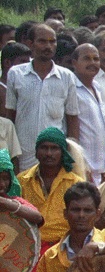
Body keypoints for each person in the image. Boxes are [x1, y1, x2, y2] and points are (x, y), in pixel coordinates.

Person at [6, 24, 79, 170]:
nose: (48, 46)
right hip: (24, 154)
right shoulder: (16, 74)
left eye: (52, 42)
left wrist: (71, 155)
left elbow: (72, 119)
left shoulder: (67, 77)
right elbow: (10, 117)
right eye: (42, 41)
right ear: (30, 43)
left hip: (55, 155)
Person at [19, 128, 84, 262]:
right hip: (28, 249)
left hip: (64, 249)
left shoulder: (76, 183)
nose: (49, 153)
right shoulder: (22, 180)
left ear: (63, 152)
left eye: (54, 148)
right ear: (36, 152)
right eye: (44, 148)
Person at [72, 44, 105, 184]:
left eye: (96, 59)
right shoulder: (72, 88)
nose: (93, 63)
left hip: (101, 169)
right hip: (83, 169)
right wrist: (80, 165)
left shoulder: (97, 87)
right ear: (74, 63)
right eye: (87, 58)